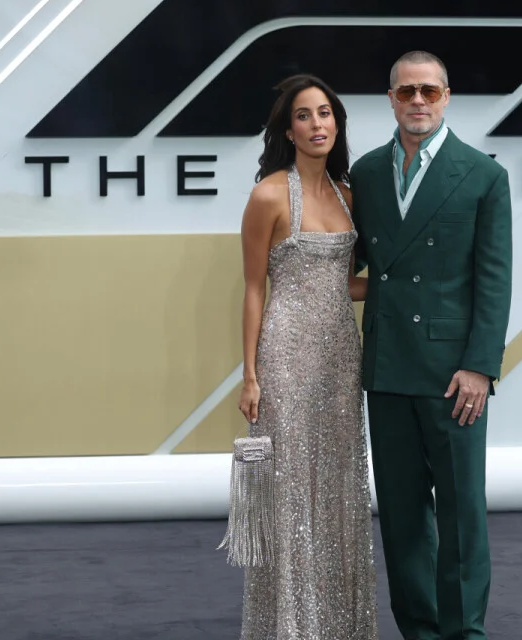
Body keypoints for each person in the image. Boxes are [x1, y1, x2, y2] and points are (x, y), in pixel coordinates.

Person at [349, 51, 513, 640]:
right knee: (401, 515)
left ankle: (464, 633)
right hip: (388, 366)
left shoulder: (483, 175)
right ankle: (419, 631)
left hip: (453, 375)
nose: (418, 101)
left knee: (462, 513)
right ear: (390, 99)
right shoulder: (366, 173)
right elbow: (354, 263)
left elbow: (494, 280)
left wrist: (480, 367)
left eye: (429, 91)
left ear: (447, 97)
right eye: (406, 91)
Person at [235, 73, 378, 640]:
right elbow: (254, 289)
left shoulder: (349, 195)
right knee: (290, 493)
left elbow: (344, 285)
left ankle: (338, 627)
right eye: (303, 115)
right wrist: (250, 375)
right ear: (288, 130)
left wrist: (402, 288)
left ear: (336, 123)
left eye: (324, 113)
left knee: (340, 488)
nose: (316, 124)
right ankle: (291, 629)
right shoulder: (269, 195)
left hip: (340, 358)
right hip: (285, 360)